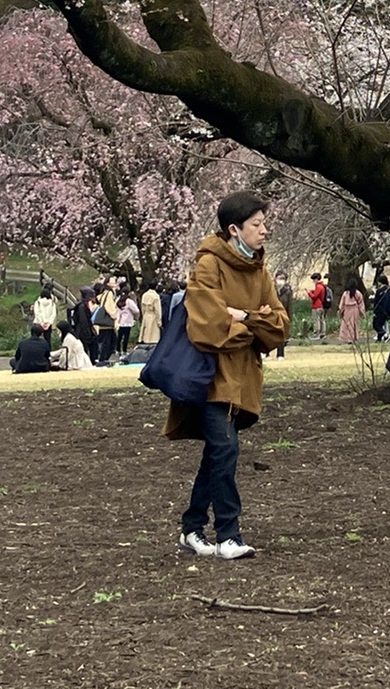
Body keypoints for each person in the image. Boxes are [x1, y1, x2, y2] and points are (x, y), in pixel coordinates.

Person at [166, 190, 289, 561]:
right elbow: (207, 324)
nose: (264, 230)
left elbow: (280, 327)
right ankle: (228, 534)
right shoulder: (207, 265)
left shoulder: (260, 269)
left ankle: (190, 528)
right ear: (234, 229)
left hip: (242, 379)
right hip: (209, 377)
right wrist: (249, 322)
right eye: (257, 224)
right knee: (225, 448)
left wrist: (245, 316)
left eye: (264, 223)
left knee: (218, 452)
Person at [67, 290, 99, 365]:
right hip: (83, 331)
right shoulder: (82, 307)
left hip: (82, 330)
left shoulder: (82, 305)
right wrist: (87, 332)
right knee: (85, 348)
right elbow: (83, 320)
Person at [371, 277, 390, 341]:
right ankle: (381, 337)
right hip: (387, 309)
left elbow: (377, 300)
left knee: (377, 325)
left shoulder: (379, 290)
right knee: (383, 323)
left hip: (379, 310)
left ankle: (384, 334)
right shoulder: (388, 289)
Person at [307, 273, 328, 338]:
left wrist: (309, 292)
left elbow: (314, 296)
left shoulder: (318, 286)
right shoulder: (322, 286)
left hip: (316, 305)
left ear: (316, 279)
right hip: (321, 305)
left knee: (316, 320)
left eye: (313, 280)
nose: (313, 281)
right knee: (322, 319)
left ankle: (317, 333)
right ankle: (323, 332)